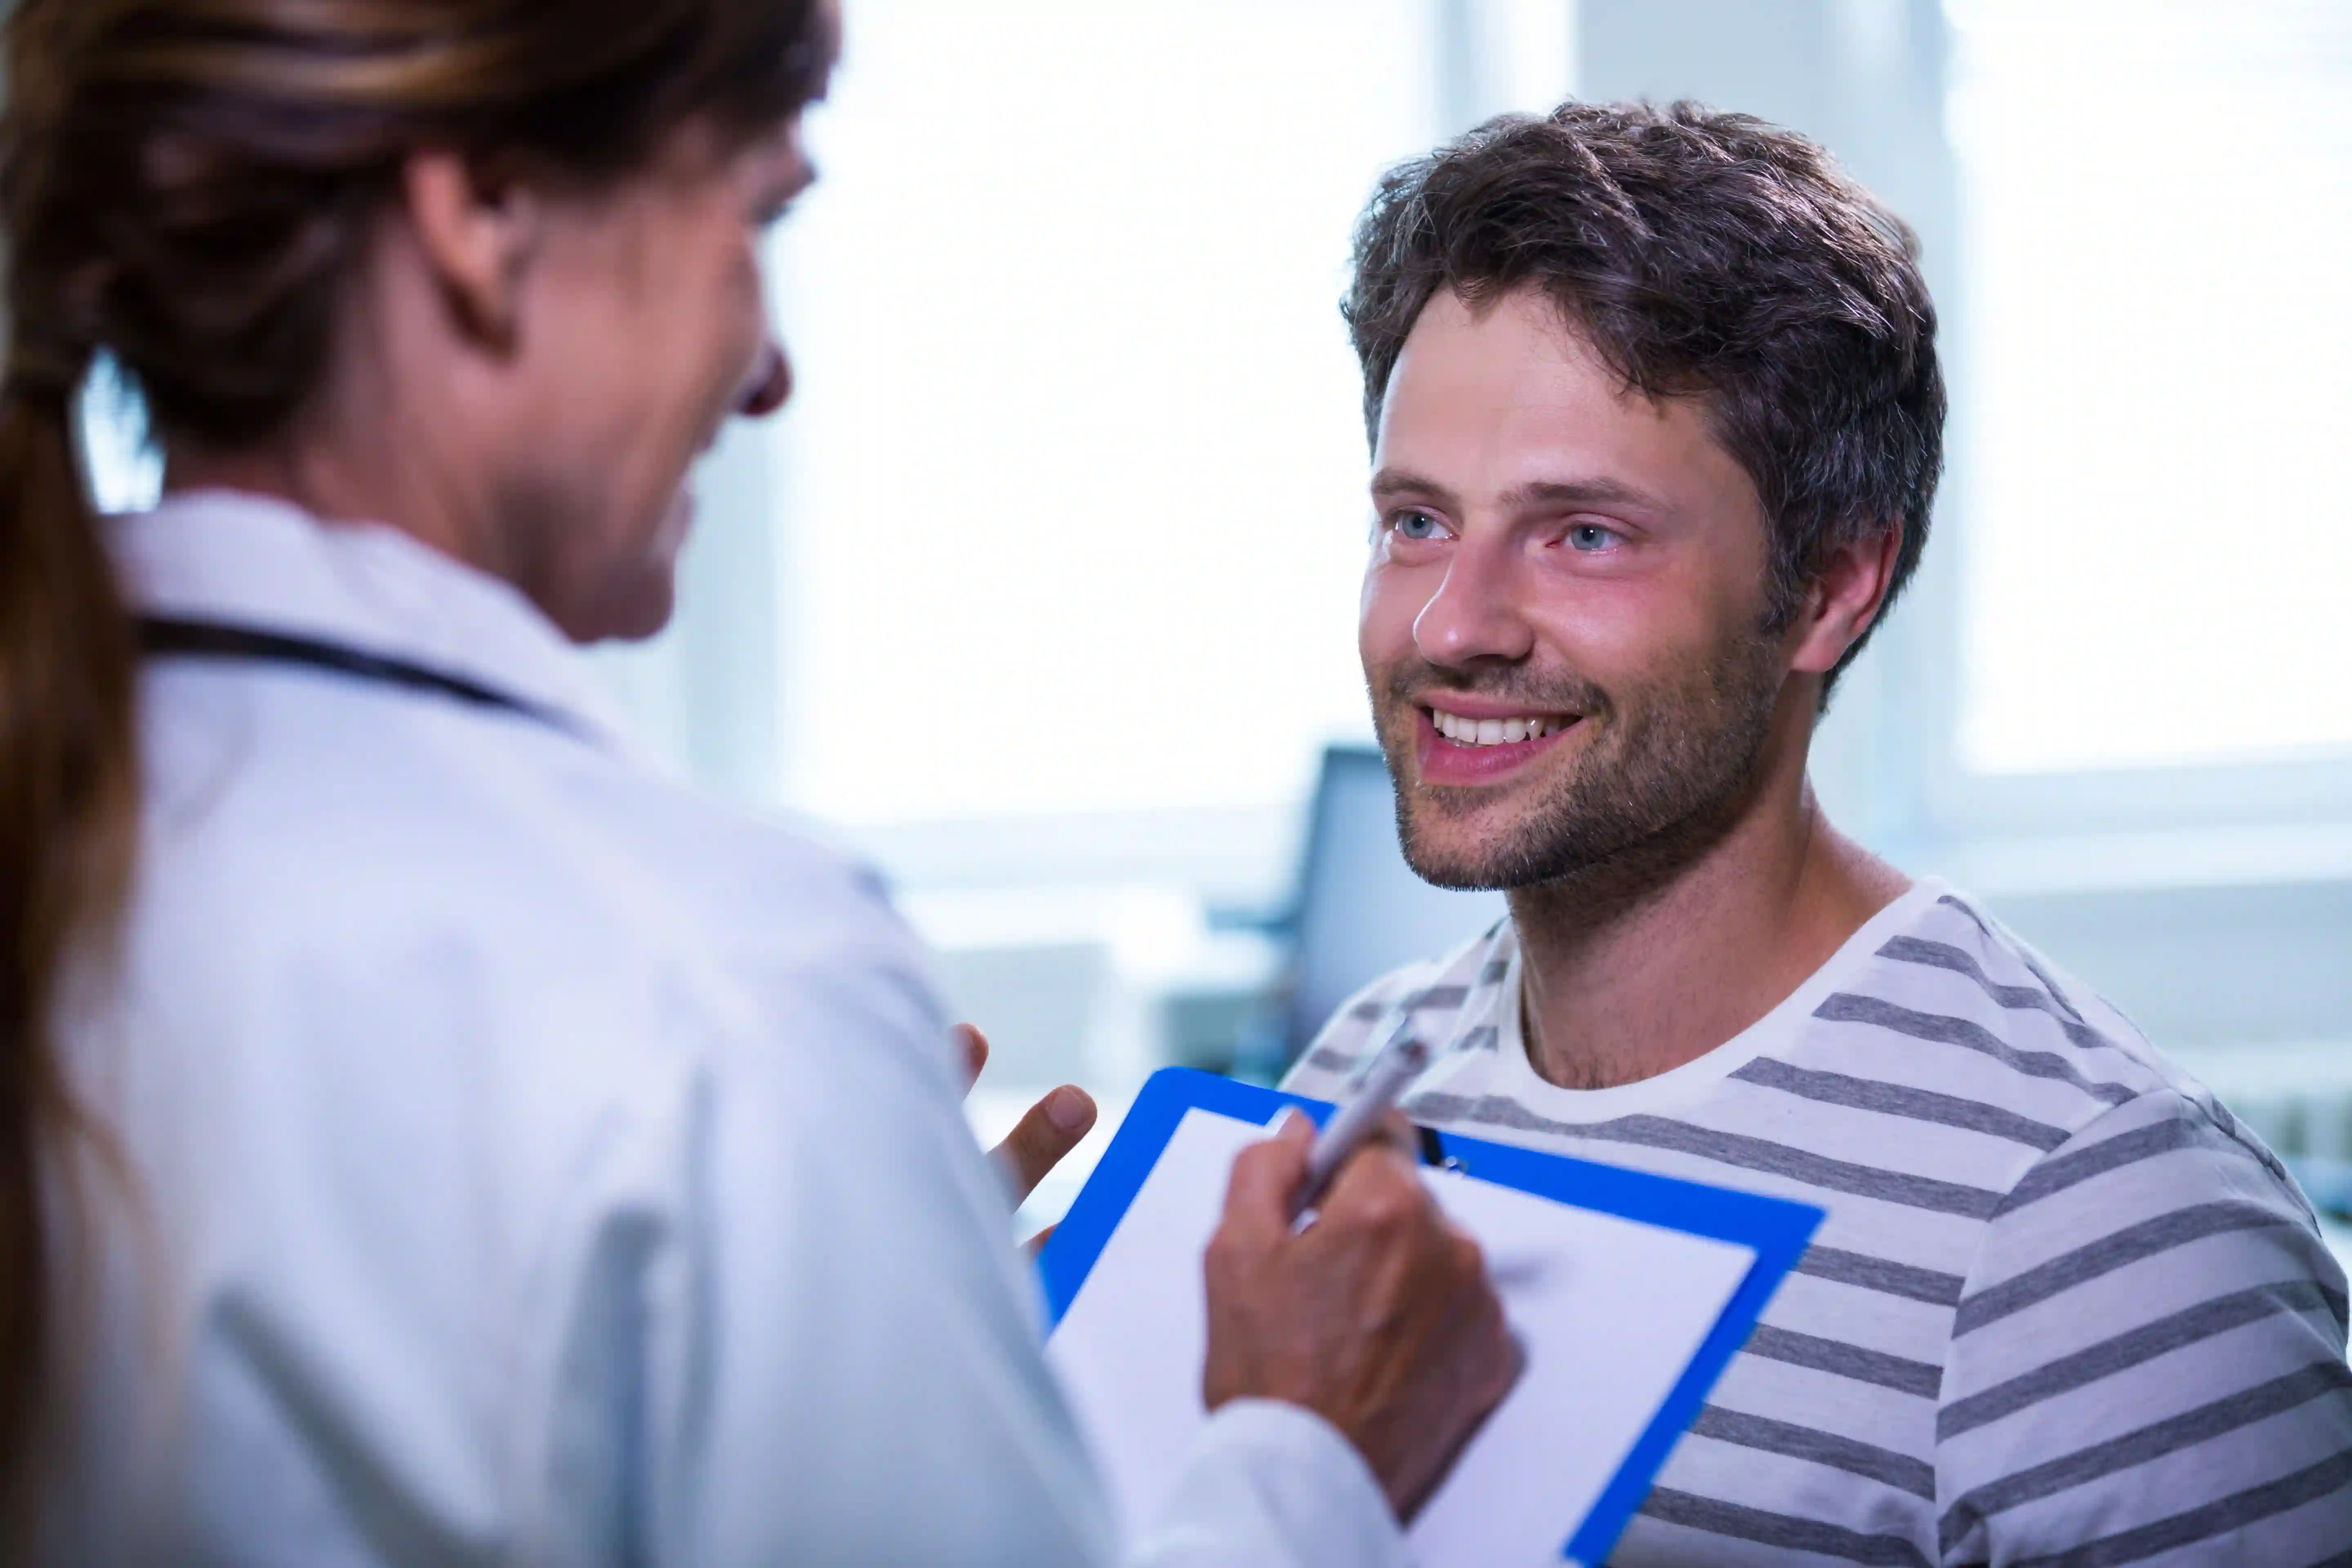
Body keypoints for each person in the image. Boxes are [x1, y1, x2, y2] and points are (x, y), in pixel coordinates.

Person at [0, 0, 1520, 1561]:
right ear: (482, 211)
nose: (772, 369)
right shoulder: (714, 985)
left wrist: (856, 1296)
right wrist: (1304, 1450)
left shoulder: (79, 809)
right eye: (757, 218)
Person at [1284, 100, 2352, 1565]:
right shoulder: (1355, 1087)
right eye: (1416, 522)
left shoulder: (2098, 1224)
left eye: (1583, 534)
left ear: (1832, 587)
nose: (1450, 625)